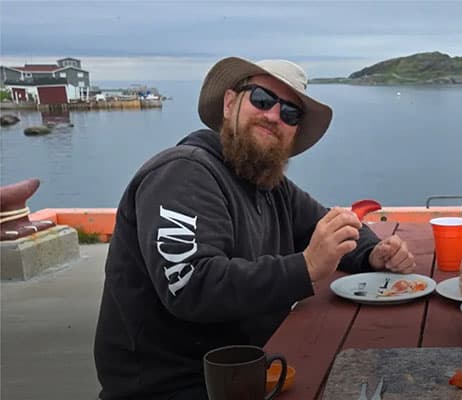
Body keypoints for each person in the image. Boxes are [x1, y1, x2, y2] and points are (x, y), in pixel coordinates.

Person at [94, 57, 416, 399]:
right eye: (262, 99)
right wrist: (304, 268)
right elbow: (192, 286)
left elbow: (328, 224)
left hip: (251, 371)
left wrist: (373, 253)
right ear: (230, 102)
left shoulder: (270, 185)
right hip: (173, 386)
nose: (274, 115)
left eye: (290, 113)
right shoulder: (183, 173)